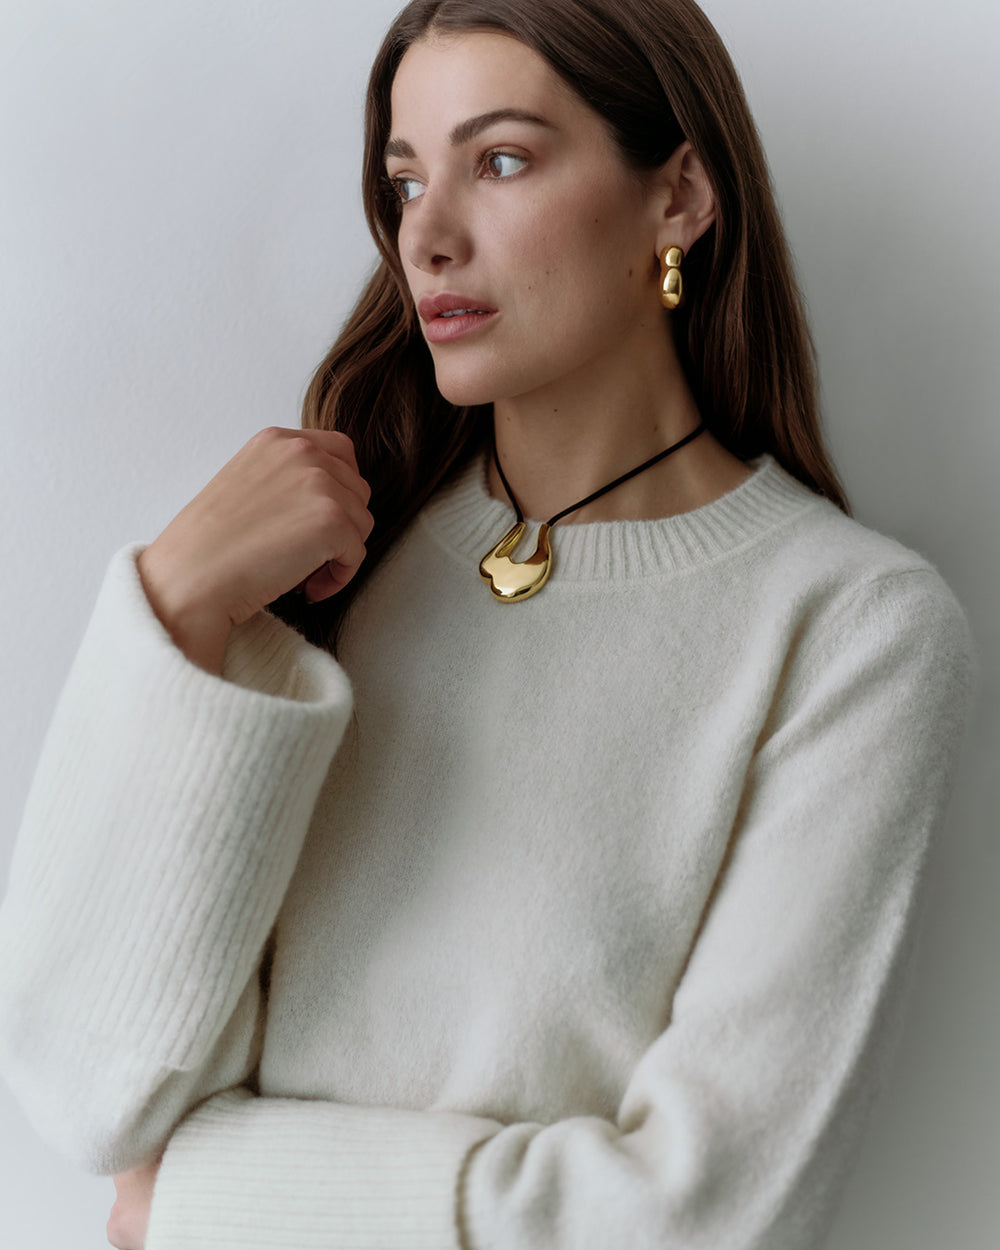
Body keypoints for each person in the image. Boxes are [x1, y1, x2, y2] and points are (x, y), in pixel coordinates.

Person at [0, 0, 974, 1247]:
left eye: (500, 160)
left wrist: (214, 1197)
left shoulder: (851, 630)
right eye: (406, 180)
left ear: (678, 196)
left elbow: (715, 1210)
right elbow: (93, 1099)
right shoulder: (322, 574)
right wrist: (176, 604)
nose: (430, 236)